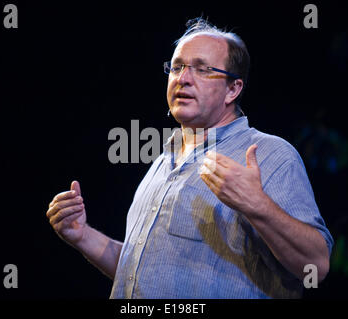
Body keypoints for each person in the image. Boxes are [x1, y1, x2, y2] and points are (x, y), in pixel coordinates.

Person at [46, 18, 333, 298]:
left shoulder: (269, 154)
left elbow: (315, 267)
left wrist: (257, 205)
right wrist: (82, 236)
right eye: (177, 67)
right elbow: (142, 273)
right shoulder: (164, 158)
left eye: (202, 69)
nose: (183, 78)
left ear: (233, 89)